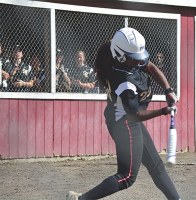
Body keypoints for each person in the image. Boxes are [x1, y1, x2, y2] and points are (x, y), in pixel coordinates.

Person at [66, 27, 180, 200]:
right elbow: (136, 115)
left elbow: (150, 66)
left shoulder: (123, 57)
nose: (139, 62)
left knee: (156, 166)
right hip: (123, 122)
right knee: (126, 177)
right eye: (135, 59)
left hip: (127, 118)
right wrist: (164, 110)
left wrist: (168, 90)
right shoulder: (124, 82)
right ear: (121, 55)